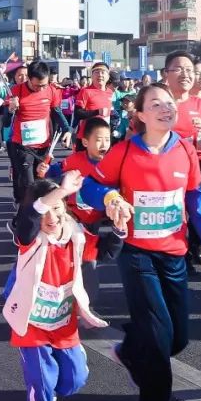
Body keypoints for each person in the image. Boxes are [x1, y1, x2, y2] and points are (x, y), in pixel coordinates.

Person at [78, 84, 201, 401]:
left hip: (174, 253)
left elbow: (195, 199)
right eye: (155, 104)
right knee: (160, 338)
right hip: (136, 254)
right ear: (141, 115)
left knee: (177, 338)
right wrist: (110, 197)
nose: (165, 108)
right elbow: (91, 186)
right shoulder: (124, 151)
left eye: (168, 103)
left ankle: (132, 348)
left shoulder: (186, 150)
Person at [2, 174, 107, 401]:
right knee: (40, 382)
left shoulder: (76, 235)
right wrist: (59, 192)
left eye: (56, 209)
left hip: (62, 321)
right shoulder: (28, 239)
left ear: (66, 208)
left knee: (74, 381)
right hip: (32, 324)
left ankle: (56, 383)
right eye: (44, 212)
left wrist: (122, 227)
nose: (50, 218)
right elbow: (29, 216)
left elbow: (107, 250)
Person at [37, 116, 125, 301]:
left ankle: (86, 302)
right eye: (98, 139)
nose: (104, 144)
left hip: (95, 219)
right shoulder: (74, 160)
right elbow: (56, 171)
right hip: (72, 217)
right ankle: (58, 292)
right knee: (72, 256)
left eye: (107, 139)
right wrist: (44, 170)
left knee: (88, 258)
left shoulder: (111, 163)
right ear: (85, 141)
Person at [161, 51, 201, 269]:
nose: (185, 74)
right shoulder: (158, 102)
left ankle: (195, 246)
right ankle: (179, 254)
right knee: (174, 215)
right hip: (164, 171)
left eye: (189, 70)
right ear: (166, 74)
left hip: (196, 167)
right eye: (179, 69)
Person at [6, 61, 72, 210]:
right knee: (29, 184)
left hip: (43, 147)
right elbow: (4, 121)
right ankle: (27, 216)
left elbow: (57, 112)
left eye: (44, 85)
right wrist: (11, 108)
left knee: (40, 181)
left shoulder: (51, 90)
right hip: (22, 146)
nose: (41, 88)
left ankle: (34, 211)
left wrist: (67, 129)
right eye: (37, 86)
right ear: (28, 79)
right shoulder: (16, 91)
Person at [74, 62, 115, 141]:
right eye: (96, 72)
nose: (100, 75)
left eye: (103, 72)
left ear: (108, 76)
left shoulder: (110, 92)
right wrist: (97, 112)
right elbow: (77, 113)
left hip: (104, 136)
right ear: (92, 76)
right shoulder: (85, 91)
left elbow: (110, 112)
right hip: (87, 136)